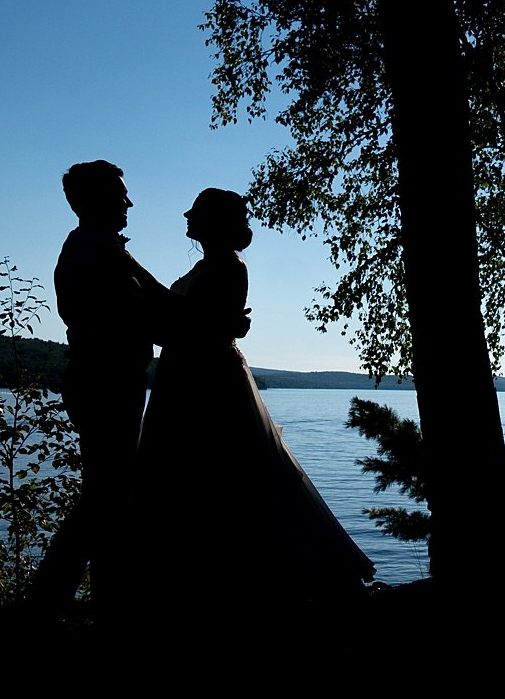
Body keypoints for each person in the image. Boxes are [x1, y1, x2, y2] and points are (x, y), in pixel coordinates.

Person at [133, 187, 376, 611]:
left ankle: (264, 580)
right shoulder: (204, 268)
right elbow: (176, 323)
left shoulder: (229, 266)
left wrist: (134, 271)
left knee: (233, 470)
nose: (187, 219)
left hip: (208, 380)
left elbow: (191, 322)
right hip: (184, 373)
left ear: (214, 222)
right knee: (190, 475)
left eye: (197, 213)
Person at [30, 159, 189, 612]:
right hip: (104, 383)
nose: (129, 201)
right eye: (120, 194)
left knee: (110, 495)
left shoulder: (102, 248)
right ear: (95, 199)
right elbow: (143, 315)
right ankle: (48, 602)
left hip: (108, 381)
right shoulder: (90, 252)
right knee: (106, 496)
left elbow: (158, 300)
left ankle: (101, 599)